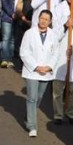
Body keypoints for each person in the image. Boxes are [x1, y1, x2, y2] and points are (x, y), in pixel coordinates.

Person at [20, 9, 60, 137]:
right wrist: (36, 67)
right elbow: (24, 52)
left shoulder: (53, 35)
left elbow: (56, 53)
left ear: (50, 22)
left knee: (39, 97)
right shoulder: (29, 33)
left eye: (46, 20)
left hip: (46, 72)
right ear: (38, 18)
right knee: (32, 98)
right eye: (42, 18)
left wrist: (49, 67)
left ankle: (28, 115)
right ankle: (32, 125)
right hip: (32, 71)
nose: (44, 21)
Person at [0, 0, 26, 67]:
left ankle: (10, 58)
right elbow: (4, 1)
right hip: (7, 16)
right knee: (6, 37)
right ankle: (4, 58)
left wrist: (19, 14)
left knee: (13, 38)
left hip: (18, 17)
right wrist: (11, 13)